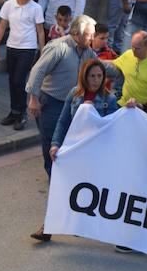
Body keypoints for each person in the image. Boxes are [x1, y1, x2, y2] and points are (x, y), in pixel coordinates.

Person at [30, 59, 120, 242]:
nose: (95, 80)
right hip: (74, 150)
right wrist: (55, 144)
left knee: (89, 192)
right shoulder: (75, 93)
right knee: (62, 187)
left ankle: (81, 224)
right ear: (84, 77)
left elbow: (114, 127)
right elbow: (63, 121)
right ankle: (48, 226)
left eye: (99, 76)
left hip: (94, 155)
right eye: (92, 76)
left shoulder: (109, 99)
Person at [24, 15, 97, 177]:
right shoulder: (59, 48)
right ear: (76, 33)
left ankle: (62, 174)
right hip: (50, 102)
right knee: (51, 141)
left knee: (66, 139)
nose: (92, 38)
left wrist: (122, 69)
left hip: (72, 103)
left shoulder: (88, 52)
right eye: (89, 34)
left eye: (93, 34)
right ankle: (54, 176)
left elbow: (100, 67)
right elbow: (38, 71)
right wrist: (33, 99)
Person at [0, 0, 45, 130]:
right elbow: (2, 27)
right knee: (11, 81)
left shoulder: (36, 8)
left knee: (19, 81)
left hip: (27, 49)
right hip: (11, 47)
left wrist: (42, 51)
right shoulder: (9, 5)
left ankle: (22, 114)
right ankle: (13, 112)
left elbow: (40, 31)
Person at [109, 30, 147, 107]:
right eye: (132, 46)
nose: (133, 50)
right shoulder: (128, 54)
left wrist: (144, 107)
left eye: (137, 48)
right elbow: (111, 65)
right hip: (123, 104)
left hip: (143, 109)